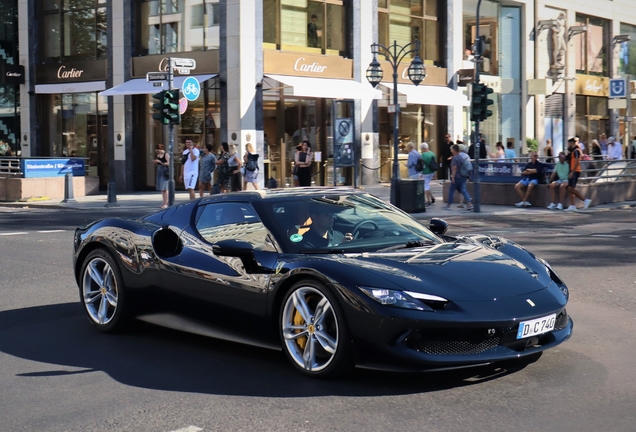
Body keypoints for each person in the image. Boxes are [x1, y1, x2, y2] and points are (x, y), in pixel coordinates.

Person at [564, 137, 592, 211]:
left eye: (569, 144)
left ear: (572, 143)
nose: (568, 145)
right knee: (569, 188)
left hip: (575, 171)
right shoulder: (572, 152)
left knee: (570, 188)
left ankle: (585, 200)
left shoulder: (576, 151)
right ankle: (572, 205)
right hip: (572, 170)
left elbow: (577, 162)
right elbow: (565, 158)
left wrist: (572, 172)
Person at [442, 144, 473, 211]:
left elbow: (454, 168)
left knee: (451, 190)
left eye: (451, 149)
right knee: (463, 190)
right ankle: (469, 203)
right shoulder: (461, 157)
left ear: (454, 150)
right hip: (463, 176)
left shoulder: (455, 158)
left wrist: (452, 177)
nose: (450, 150)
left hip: (457, 177)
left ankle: (448, 205)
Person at [154, 144, 170, 208]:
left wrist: (160, 162)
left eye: (158, 150)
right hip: (160, 170)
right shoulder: (158, 155)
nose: (158, 151)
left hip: (165, 171)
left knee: (165, 188)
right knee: (161, 188)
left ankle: (166, 203)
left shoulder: (166, 154)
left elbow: (169, 163)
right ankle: (163, 202)